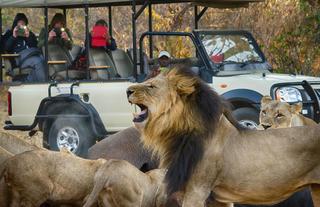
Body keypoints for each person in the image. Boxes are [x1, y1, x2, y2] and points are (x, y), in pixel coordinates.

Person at [2, 13, 46, 82]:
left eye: (23, 24)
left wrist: (28, 37)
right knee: (37, 61)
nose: (21, 26)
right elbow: (6, 48)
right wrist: (13, 36)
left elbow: (35, 46)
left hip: (31, 55)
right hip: (17, 58)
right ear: (15, 24)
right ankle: (44, 84)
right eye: (20, 24)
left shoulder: (29, 33)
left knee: (43, 59)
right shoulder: (9, 33)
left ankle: (29, 82)